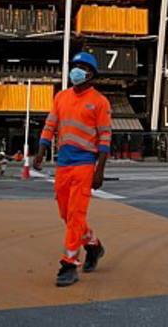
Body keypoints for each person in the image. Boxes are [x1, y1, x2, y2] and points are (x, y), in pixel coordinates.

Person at [33, 52, 112, 287]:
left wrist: (100, 170)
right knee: (66, 215)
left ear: (91, 74)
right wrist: (41, 150)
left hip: (85, 164)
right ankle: (94, 246)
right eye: (74, 66)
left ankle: (69, 264)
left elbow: (105, 138)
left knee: (77, 214)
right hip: (63, 164)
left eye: (81, 66)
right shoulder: (61, 97)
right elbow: (50, 124)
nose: (76, 70)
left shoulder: (99, 101)